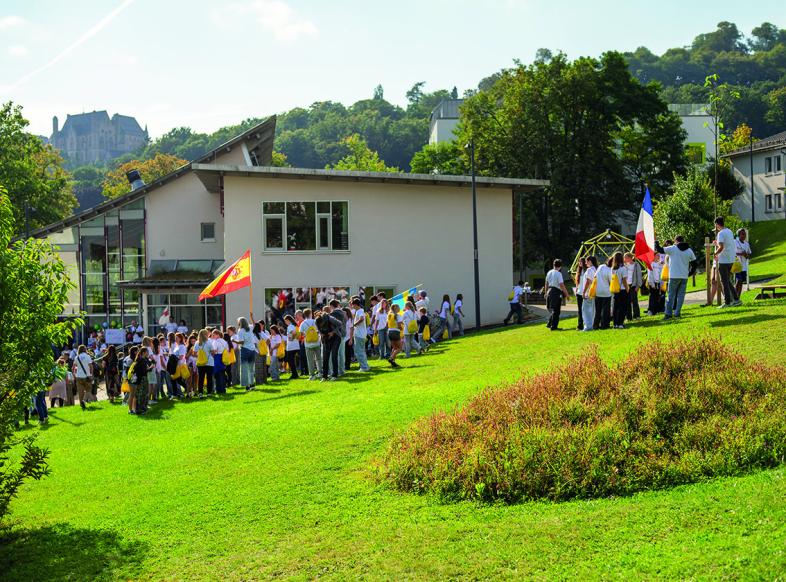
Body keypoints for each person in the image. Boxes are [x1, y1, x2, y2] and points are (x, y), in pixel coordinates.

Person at [661, 236, 697, 320]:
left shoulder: (673, 248)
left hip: (674, 275)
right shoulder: (689, 250)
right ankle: (677, 313)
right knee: (681, 296)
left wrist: (656, 243)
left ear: (675, 241)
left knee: (671, 295)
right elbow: (695, 263)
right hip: (684, 276)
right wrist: (690, 273)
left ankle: (668, 314)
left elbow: (660, 250)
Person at [714, 216, 742, 308]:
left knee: (724, 282)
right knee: (728, 281)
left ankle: (727, 302)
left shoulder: (720, 233)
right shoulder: (729, 231)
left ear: (717, 224)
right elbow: (726, 244)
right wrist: (717, 244)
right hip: (731, 259)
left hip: (724, 260)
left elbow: (721, 247)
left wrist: (715, 253)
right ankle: (736, 299)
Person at [316, 311, 342, 382]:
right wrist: (321, 334)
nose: (322, 326)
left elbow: (340, 324)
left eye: (322, 324)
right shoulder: (317, 321)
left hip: (336, 337)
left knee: (334, 356)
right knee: (325, 357)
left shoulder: (330, 318)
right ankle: (324, 377)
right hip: (326, 338)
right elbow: (318, 329)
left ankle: (335, 375)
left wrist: (333, 332)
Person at [545, 259, 569, 331]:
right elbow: (561, 285)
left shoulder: (549, 272)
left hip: (549, 290)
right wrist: (567, 294)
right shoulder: (558, 274)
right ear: (560, 266)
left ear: (553, 265)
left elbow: (546, 283)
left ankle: (549, 323)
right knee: (557, 310)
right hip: (556, 291)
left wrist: (546, 292)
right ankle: (554, 326)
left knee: (553, 309)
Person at [234, 317, 257, 390]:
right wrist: (252, 317)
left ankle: (247, 386)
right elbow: (254, 324)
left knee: (244, 368)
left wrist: (234, 341)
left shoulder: (240, 331)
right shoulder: (250, 327)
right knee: (251, 368)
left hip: (245, 349)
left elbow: (242, 342)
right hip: (252, 349)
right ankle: (252, 384)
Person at [610, 252, 630, 329]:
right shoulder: (623, 268)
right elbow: (624, 280)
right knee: (623, 307)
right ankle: (620, 323)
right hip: (622, 290)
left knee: (616, 307)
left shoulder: (613, 268)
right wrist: (627, 289)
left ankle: (615, 324)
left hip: (615, 289)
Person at [300, 309, 321, 380]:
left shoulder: (303, 323)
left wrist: (306, 334)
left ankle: (312, 375)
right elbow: (319, 330)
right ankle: (320, 372)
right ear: (310, 314)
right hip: (316, 342)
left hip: (308, 343)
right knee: (318, 358)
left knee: (310, 360)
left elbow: (301, 333)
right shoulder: (315, 321)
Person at [350, 298, 371, 372]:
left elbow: (362, 319)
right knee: (361, 351)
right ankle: (365, 366)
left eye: (352, 304)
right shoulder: (359, 311)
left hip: (360, 334)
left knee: (359, 351)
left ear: (355, 304)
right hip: (360, 334)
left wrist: (354, 324)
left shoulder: (360, 311)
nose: (352, 306)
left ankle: (364, 367)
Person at [129, 347, 151, 415]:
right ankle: (140, 409)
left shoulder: (138, 359)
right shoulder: (143, 360)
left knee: (139, 394)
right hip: (142, 379)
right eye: (147, 352)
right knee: (142, 394)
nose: (148, 353)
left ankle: (138, 409)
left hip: (138, 380)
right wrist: (150, 368)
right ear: (144, 352)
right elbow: (144, 371)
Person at [593, 258, 613, 330]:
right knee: (605, 310)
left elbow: (595, 276)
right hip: (606, 292)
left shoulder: (601, 266)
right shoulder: (609, 270)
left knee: (598, 310)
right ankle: (604, 324)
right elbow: (611, 281)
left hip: (598, 291)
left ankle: (595, 325)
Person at [329, 299, 347, 376]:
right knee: (342, 353)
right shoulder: (343, 313)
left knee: (336, 354)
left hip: (336, 335)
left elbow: (333, 325)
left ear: (331, 306)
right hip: (343, 333)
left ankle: (338, 371)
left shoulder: (333, 313)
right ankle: (342, 370)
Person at [72, 345, 93, 410]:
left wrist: (74, 375)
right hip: (87, 376)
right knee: (88, 389)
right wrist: (91, 374)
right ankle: (84, 400)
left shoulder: (76, 357)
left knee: (80, 391)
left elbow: (73, 367)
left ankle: (81, 404)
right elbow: (91, 366)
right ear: (85, 349)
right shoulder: (87, 356)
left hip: (78, 376)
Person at [624, 253, 643, 321]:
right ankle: (628, 317)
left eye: (625, 258)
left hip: (633, 285)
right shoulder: (624, 266)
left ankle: (637, 315)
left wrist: (638, 286)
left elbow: (639, 276)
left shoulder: (636, 265)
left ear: (630, 258)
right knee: (627, 302)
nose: (624, 259)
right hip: (626, 285)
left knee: (634, 301)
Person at [194, 329, 214, 397]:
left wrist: (200, 355)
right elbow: (213, 352)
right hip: (209, 362)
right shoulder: (209, 342)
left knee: (201, 378)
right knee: (209, 378)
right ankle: (209, 392)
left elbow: (194, 353)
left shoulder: (197, 343)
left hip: (200, 363)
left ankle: (200, 393)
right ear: (206, 334)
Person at [580, 256, 598, 331]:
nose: (585, 263)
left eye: (586, 261)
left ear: (590, 261)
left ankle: (588, 326)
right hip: (594, 292)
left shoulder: (589, 270)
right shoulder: (596, 269)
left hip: (589, 293)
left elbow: (588, 282)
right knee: (592, 310)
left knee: (586, 311)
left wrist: (584, 292)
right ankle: (591, 325)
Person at [735, 228, 752, 299]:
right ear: (738, 235)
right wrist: (741, 254)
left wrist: (746, 255)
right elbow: (733, 253)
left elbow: (749, 254)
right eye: (742, 234)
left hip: (744, 266)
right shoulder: (735, 242)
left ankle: (738, 297)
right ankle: (734, 296)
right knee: (739, 280)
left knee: (741, 282)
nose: (744, 235)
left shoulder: (746, 244)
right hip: (736, 264)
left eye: (745, 234)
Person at [283, 315, 301, 380]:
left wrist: (292, 338)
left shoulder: (290, 326)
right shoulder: (294, 325)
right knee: (292, 360)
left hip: (291, 346)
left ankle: (294, 374)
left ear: (288, 320)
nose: (285, 322)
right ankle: (295, 374)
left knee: (291, 361)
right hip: (295, 345)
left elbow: (293, 333)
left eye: (285, 321)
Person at [574, 258, 586, 331]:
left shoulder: (587, 270)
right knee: (580, 310)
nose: (580, 263)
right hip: (579, 293)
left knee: (586, 310)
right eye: (579, 262)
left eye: (581, 262)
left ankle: (587, 323)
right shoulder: (578, 271)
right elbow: (577, 283)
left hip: (585, 293)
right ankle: (580, 325)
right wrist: (576, 290)